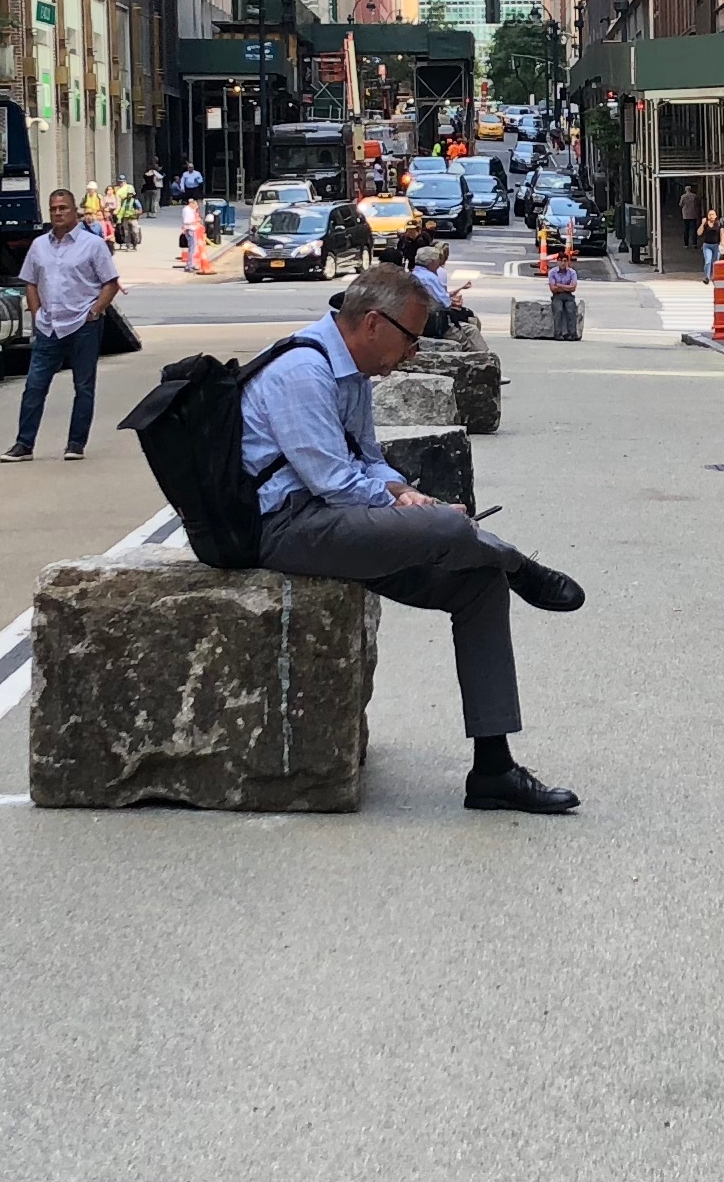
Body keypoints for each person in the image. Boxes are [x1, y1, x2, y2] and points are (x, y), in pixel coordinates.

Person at [245, 266, 586, 812]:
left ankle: (493, 769)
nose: (413, 352)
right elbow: (335, 483)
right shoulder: (302, 372)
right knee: (450, 528)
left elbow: (368, 461)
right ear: (374, 324)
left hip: (330, 522)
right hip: (285, 526)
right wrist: (417, 516)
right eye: (410, 337)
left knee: (476, 581)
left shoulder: (349, 373)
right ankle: (519, 563)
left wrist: (406, 496)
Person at [3, 186, 121, 462]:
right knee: (34, 386)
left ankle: (75, 444)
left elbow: (110, 283)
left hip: (83, 325)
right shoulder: (39, 246)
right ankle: (23, 445)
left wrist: (95, 311)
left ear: (74, 212)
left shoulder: (92, 245)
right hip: (49, 327)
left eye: (63, 208)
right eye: (53, 208)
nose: (57, 213)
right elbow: (30, 282)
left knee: (83, 386)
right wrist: (36, 314)